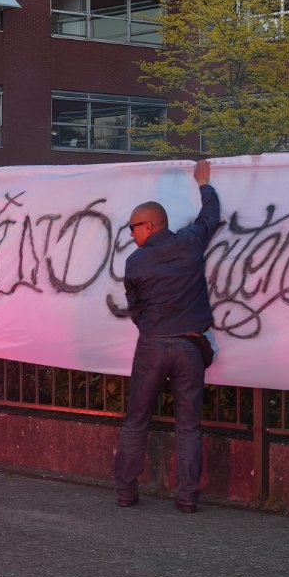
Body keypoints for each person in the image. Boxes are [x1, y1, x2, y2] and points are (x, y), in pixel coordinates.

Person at [112, 159, 220, 513]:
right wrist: (203, 184)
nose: (131, 234)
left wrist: (152, 329)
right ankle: (187, 498)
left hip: (153, 346)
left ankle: (126, 493)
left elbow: (135, 307)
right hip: (189, 345)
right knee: (188, 427)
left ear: (149, 225)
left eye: (133, 227)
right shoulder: (190, 242)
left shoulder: (136, 262)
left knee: (136, 421)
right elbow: (210, 217)